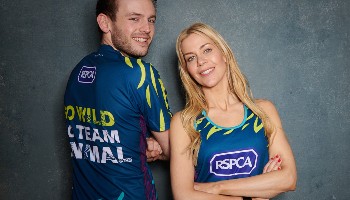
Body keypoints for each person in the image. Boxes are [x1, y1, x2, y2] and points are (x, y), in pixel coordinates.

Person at [170, 22, 297, 200]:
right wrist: (258, 190)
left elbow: (288, 178)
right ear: (187, 70)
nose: (201, 61)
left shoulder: (262, 111)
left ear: (224, 53)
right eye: (191, 58)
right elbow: (184, 196)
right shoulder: (184, 122)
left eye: (207, 50)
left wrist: (216, 187)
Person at [64, 0, 172, 199]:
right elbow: (176, 152)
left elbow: (103, 138)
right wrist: (151, 147)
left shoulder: (78, 71)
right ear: (105, 23)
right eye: (134, 18)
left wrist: (140, 144)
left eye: (151, 20)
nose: (147, 29)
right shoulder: (140, 75)